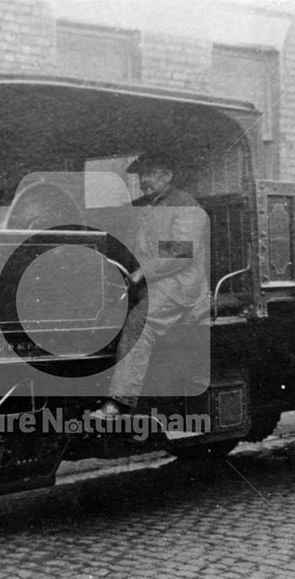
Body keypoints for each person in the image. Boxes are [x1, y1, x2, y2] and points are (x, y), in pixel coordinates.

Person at [94, 151, 210, 419]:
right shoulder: (147, 205)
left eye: (150, 173)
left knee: (138, 325)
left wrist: (140, 273)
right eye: (140, 175)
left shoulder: (186, 207)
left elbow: (180, 252)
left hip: (179, 285)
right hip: (150, 282)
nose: (143, 180)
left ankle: (119, 402)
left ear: (168, 176)